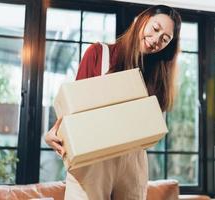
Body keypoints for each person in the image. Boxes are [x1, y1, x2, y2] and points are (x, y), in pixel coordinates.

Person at [45, 4, 182, 200]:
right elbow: (74, 109)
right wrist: (53, 133)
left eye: (165, 39)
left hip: (133, 160)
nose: (156, 40)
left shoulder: (157, 77)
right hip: (92, 158)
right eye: (155, 28)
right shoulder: (99, 54)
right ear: (142, 21)